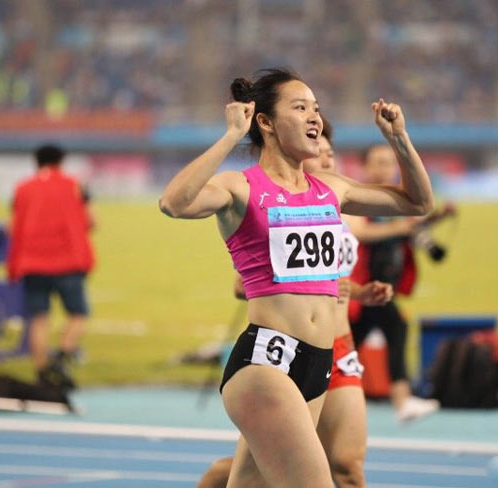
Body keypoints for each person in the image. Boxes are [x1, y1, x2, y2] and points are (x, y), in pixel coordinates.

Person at [159, 68, 433, 487]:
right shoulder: (240, 188)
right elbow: (174, 203)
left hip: (318, 363)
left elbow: (418, 203)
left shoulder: (331, 188)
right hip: (266, 364)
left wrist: (399, 138)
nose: (314, 117)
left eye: (316, 109)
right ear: (265, 122)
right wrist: (231, 136)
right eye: (300, 108)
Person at [196, 118, 393, 488]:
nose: (328, 161)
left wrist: (359, 292)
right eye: (322, 154)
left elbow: (330, 279)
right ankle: (216, 478)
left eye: (333, 155)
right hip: (284, 350)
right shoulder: (287, 207)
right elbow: (248, 283)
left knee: (346, 465)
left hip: (337, 348)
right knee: (275, 469)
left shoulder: (340, 208)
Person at [348, 144, 455, 423]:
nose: (384, 168)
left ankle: (326, 390)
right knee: (392, 329)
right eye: (378, 162)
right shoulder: (355, 197)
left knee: (350, 344)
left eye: (388, 162)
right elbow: (359, 232)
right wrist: (400, 227)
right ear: (365, 167)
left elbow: (411, 229)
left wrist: (439, 217)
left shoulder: (394, 201)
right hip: (363, 286)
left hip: (384, 286)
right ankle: (401, 400)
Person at [6, 144, 95, 390]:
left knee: (39, 318)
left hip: (32, 263)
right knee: (78, 314)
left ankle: (42, 371)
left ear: (36, 161)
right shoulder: (75, 185)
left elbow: (13, 227)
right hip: (68, 261)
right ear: (61, 161)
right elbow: (91, 221)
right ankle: (62, 355)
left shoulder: (22, 188)